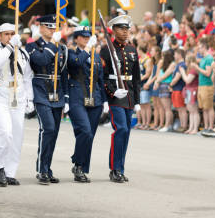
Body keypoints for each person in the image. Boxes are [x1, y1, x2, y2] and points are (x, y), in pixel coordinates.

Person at [0, 23, 34, 187]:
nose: (9, 36)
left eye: (12, 34)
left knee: (17, 136)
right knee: (5, 132)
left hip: (18, 96)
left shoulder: (22, 53)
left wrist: (30, 99)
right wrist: (10, 47)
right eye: (6, 34)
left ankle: (10, 172)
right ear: (0, 36)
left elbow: (27, 77)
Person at [26, 14, 68, 185]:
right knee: (48, 129)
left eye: (54, 27)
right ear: (41, 28)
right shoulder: (32, 46)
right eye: (49, 27)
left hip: (57, 93)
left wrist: (66, 97)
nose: (52, 30)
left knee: (54, 133)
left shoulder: (62, 48)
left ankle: (47, 168)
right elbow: (41, 60)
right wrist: (53, 45)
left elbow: (64, 73)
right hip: (41, 91)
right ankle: (41, 169)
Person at [100, 15, 141, 183]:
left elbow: (136, 77)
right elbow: (102, 76)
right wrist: (110, 93)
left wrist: (137, 101)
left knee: (127, 133)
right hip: (116, 95)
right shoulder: (106, 49)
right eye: (121, 29)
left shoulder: (132, 50)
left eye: (127, 29)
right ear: (114, 30)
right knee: (121, 129)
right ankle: (114, 168)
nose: (125, 32)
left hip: (129, 95)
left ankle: (120, 169)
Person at [66, 27, 106, 183]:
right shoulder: (72, 53)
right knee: (85, 131)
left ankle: (80, 167)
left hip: (94, 98)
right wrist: (87, 50)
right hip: (77, 96)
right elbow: (75, 65)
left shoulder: (95, 56)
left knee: (89, 136)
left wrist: (105, 101)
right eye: (82, 37)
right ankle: (77, 162)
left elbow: (100, 78)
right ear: (76, 39)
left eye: (88, 37)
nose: (86, 39)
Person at [194, 38, 215, 134]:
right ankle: (206, 127)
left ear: (204, 47)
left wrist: (197, 68)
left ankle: (211, 127)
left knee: (209, 107)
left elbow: (208, 73)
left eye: (200, 48)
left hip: (207, 85)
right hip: (201, 84)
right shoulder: (203, 59)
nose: (199, 49)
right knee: (204, 107)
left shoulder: (209, 58)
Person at [154, 50, 176, 132]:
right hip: (162, 84)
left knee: (167, 108)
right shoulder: (163, 64)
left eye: (163, 56)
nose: (162, 58)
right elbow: (159, 74)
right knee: (165, 107)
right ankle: (168, 125)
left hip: (166, 84)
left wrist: (157, 81)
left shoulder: (172, 64)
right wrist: (157, 82)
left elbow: (166, 75)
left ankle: (167, 125)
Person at [179, 53, 200, 134]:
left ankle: (195, 128)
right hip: (188, 90)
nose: (185, 63)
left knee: (194, 110)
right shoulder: (189, 70)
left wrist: (182, 72)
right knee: (190, 110)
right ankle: (191, 127)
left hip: (193, 90)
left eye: (186, 61)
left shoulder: (193, 70)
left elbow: (188, 80)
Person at [170, 48, 188, 132]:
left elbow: (177, 77)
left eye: (175, 54)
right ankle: (182, 125)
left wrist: (170, 84)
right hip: (176, 89)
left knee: (182, 108)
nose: (174, 55)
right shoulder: (178, 65)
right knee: (179, 109)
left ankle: (184, 126)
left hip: (179, 89)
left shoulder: (182, 65)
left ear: (180, 55)